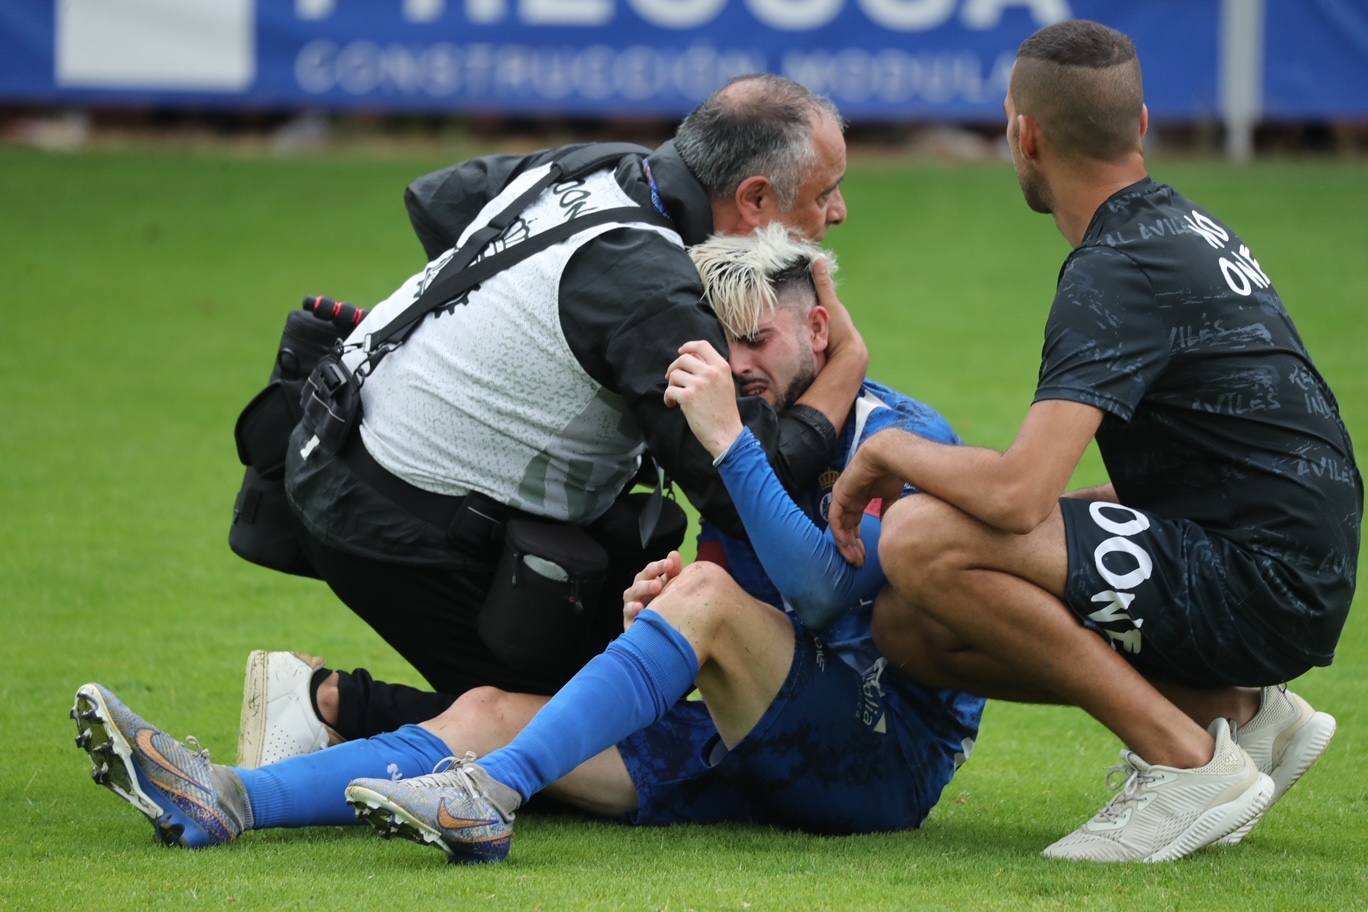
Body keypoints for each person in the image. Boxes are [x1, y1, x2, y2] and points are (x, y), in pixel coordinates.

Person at [72, 226, 983, 856]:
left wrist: (726, 463)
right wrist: (663, 606)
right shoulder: (766, 435)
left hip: (878, 763)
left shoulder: (901, 437)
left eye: (755, 341)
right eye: (722, 342)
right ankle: (224, 799)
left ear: (817, 330)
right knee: (488, 710)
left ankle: (489, 795)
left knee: (694, 615)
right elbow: (741, 585)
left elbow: (824, 595)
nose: (737, 365)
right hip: (753, 744)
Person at [826, 19, 1361, 863]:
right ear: (1140, 126)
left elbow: (1017, 494)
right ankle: (1233, 714)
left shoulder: (1117, 269)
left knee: (927, 538)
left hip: (1264, 575)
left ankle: (1186, 762)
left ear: (1023, 135)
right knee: (911, 626)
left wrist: (887, 452)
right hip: (1286, 551)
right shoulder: (1179, 227)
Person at [237, 74, 866, 769]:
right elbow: (747, 488)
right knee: (599, 737)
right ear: (754, 199)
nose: (837, 212)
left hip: (343, 437)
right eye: (824, 192)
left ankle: (327, 705)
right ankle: (323, 702)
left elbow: (439, 200)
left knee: (613, 702)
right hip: (389, 514)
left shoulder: (602, 164)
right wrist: (845, 365)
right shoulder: (647, 289)